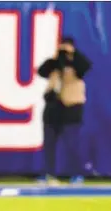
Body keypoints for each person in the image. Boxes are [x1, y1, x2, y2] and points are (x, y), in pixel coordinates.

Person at [37, 37, 92, 185]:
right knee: (49, 143)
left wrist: (72, 55)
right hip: (53, 107)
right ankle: (49, 173)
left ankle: (76, 174)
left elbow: (85, 67)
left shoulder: (77, 63)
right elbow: (41, 71)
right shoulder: (54, 63)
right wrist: (56, 57)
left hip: (71, 107)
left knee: (72, 143)